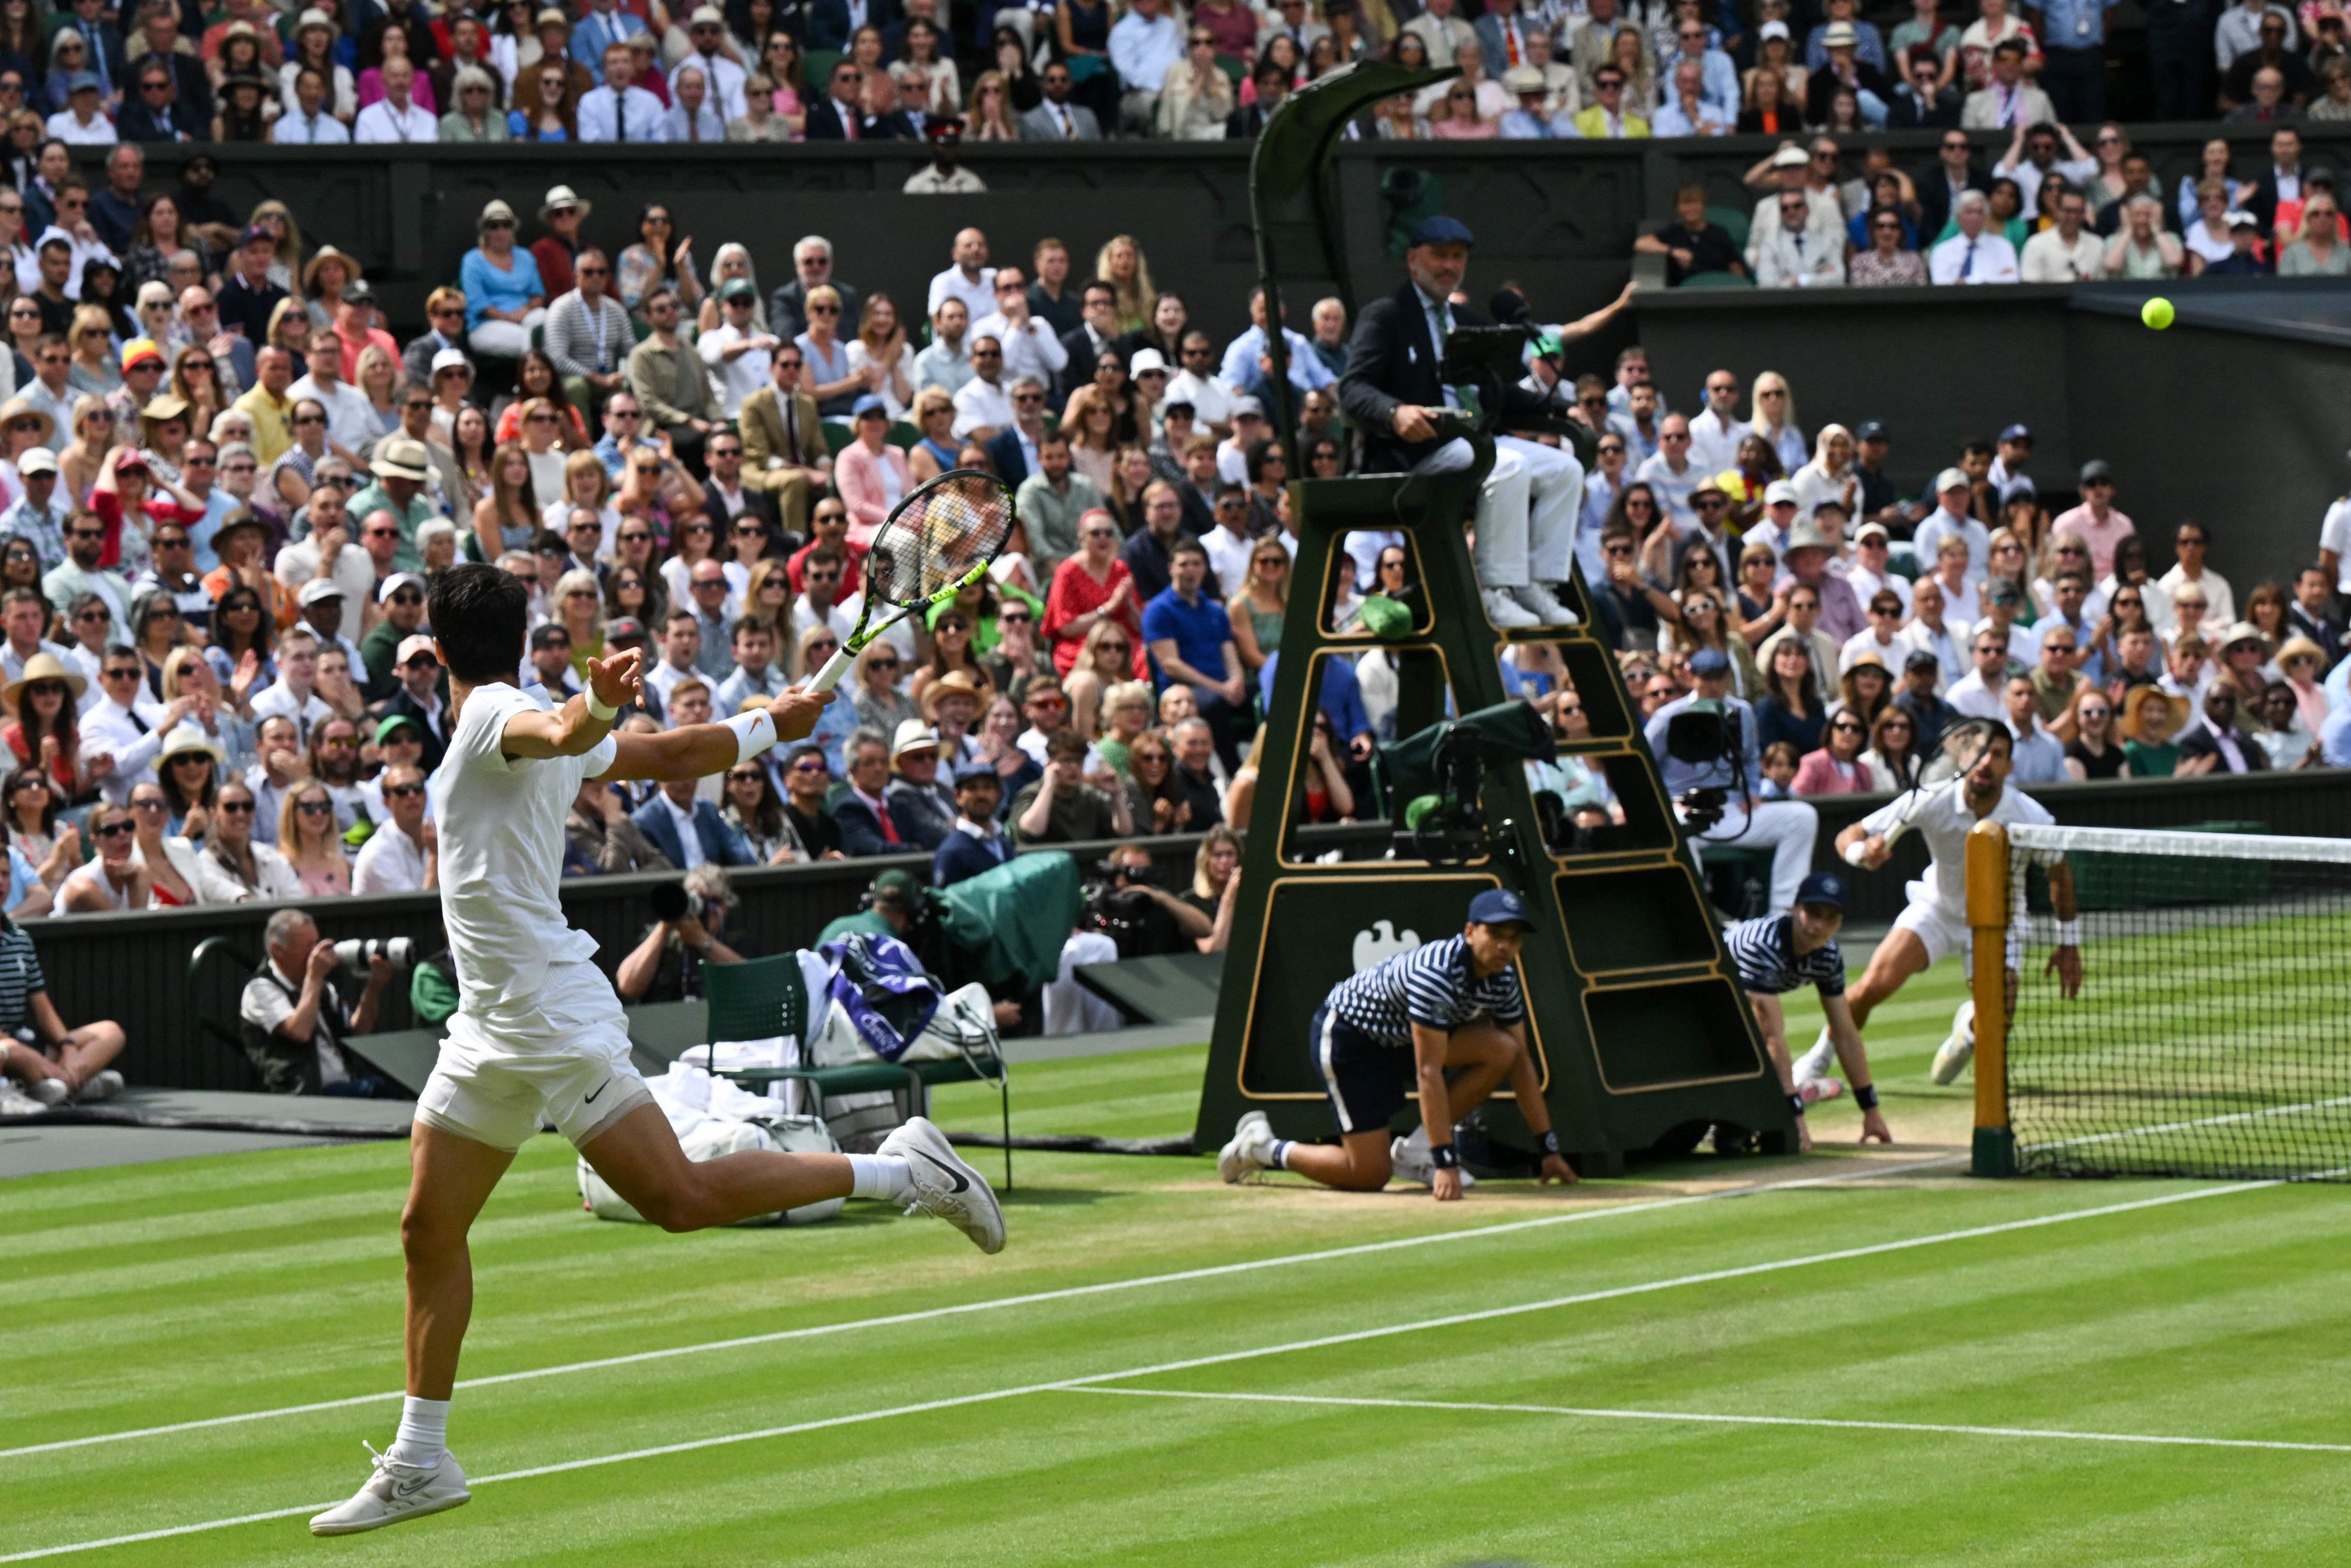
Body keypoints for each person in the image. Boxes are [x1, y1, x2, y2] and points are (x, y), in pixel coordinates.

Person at [309, 563, 1003, 1536]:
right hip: (488, 1024)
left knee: (676, 1198)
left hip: (549, 1016)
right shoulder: (523, 722)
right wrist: (772, 721)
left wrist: (591, 700)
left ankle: (898, 1172)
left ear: (434, 641)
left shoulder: (492, 719)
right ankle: (423, 1458)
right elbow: (670, 747)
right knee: (427, 1228)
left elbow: (568, 730)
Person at [1216, 888, 1578, 1197]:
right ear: (1470, 931)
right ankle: (1262, 1147)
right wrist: (1445, 1161)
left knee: (1505, 1049)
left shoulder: (1503, 978)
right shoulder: (1437, 974)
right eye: (1496, 932)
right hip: (1350, 1038)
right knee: (1369, 1175)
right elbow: (1428, 1070)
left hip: (1401, 1037)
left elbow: (1522, 1064)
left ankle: (1416, 1150)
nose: (1505, 945)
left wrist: (1549, 1148)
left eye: (1514, 938)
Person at [1338, 217, 1582, 632]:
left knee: (1565, 469)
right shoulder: (1387, 315)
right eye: (1439, 255)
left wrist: (1558, 407)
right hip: (1417, 452)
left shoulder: (1466, 318)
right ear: (1414, 258)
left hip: (1474, 442)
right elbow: (1353, 388)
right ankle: (1495, 589)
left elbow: (1498, 394)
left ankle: (1537, 585)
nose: (1449, 266)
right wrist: (1395, 412)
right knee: (1506, 465)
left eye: (1458, 257)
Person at [1811, 723, 2080, 1099]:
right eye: (1979, 751)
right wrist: (1861, 853)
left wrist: (2069, 943)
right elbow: (1850, 834)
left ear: (2009, 767)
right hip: (1936, 910)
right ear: (1964, 755)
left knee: (1995, 1024)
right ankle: (1816, 1061)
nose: (1986, 761)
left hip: (2001, 921)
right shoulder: (1931, 799)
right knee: (1872, 986)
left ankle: (1968, 1031)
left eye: (1997, 754)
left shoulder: (2029, 815)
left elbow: (2059, 872)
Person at [1646, 646, 1820, 914]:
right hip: (1685, 810)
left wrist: (1751, 790)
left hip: (1732, 808)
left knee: (1802, 816)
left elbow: (1750, 758)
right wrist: (1666, 802)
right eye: (1707, 677)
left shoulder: (1741, 712)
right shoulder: (1669, 716)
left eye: (1719, 677)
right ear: (1692, 677)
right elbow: (1644, 763)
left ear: (1728, 678)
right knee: (1675, 827)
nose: (1714, 685)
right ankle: (1695, 915)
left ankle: (1783, 913)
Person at [1727, 871, 1882, 1152]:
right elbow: (1772, 1036)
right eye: (1813, 913)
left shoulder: (1828, 956)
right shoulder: (1760, 946)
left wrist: (1871, 1111)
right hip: (1703, 998)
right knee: (1752, 1039)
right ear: (1795, 909)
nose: (1819, 926)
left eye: (1831, 918)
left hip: (1737, 1002)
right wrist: (1796, 1119)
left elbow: (1845, 1033)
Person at [0, 897, 126, 1104]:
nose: (1, 882)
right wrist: (33, 1058)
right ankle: (72, 1086)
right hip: (8, 1053)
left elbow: (44, 1009)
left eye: (6, 875)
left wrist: (69, 1049)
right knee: (15, 1053)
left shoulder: (21, 939)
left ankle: (59, 1086)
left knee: (111, 1032)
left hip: (27, 1045)